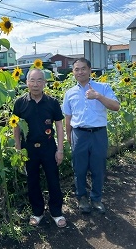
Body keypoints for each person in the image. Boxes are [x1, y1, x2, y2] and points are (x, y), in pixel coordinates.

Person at [62, 58, 120, 214]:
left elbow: (116, 107)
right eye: (76, 69)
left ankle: (96, 199)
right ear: (73, 72)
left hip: (98, 134)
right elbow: (68, 118)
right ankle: (81, 198)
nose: (80, 72)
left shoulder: (103, 87)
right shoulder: (69, 93)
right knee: (79, 169)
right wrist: (69, 137)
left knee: (98, 168)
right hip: (79, 134)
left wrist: (98, 96)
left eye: (83, 68)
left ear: (90, 70)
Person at [13, 68, 66, 228]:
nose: (35, 84)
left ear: (44, 83)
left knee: (53, 181)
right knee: (32, 181)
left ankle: (56, 212)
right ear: (26, 82)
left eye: (39, 80)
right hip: (29, 149)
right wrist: (18, 149)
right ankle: (38, 212)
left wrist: (60, 149)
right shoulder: (20, 103)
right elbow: (15, 127)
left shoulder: (52, 102)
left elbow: (59, 126)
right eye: (32, 80)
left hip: (49, 148)